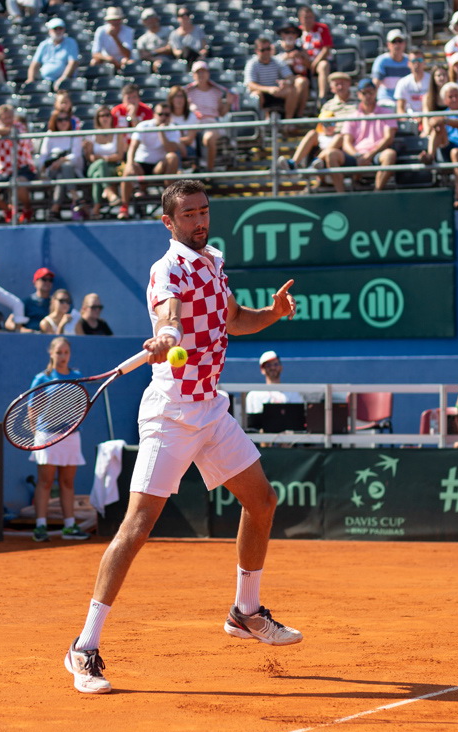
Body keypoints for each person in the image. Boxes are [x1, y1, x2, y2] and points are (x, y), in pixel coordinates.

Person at [64, 178, 300, 695]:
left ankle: (245, 612)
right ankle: (84, 647)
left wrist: (274, 315)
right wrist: (167, 334)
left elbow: (235, 319)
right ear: (168, 223)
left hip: (211, 409)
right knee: (138, 526)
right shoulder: (165, 269)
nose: (200, 220)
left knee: (261, 502)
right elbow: (169, 315)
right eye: (188, 214)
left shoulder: (213, 260)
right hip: (171, 413)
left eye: (204, 211)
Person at [28, 336, 88, 543]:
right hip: (47, 435)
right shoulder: (41, 379)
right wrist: (37, 434)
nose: (63, 357)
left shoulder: (77, 376)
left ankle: (69, 527)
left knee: (67, 482)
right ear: (51, 353)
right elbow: (32, 409)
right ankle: (41, 526)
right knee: (45, 482)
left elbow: (80, 405)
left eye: (66, 353)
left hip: (70, 435)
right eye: (59, 352)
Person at [118, 102, 183, 220]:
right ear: (154, 114)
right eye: (160, 114)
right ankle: (124, 207)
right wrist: (129, 164)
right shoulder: (143, 126)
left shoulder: (174, 128)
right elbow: (133, 147)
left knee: (173, 157)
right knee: (128, 170)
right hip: (141, 166)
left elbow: (171, 149)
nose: (163, 117)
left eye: (167, 114)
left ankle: (170, 201)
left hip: (159, 167)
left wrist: (161, 133)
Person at [245, 36, 299, 120]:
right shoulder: (252, 64)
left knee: (291, 91)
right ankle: (260, 124)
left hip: (277, 91)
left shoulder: (278, 61)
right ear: (257, 51)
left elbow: (290, 77)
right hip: (262, 93)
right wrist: (268, 89)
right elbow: (250, 85)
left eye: (268, 49)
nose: (266, 52)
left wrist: (286, 83)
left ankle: (288, 122)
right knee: (257, 95)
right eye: (263, 50)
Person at [244, 350, 303, 416]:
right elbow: (251, 423)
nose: (272, 367)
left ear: (281, 367)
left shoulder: (293, 393)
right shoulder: (253, 395)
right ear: (262, 370)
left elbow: (298, 419)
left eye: (275, 364)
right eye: (268, 365)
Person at [27, 17, 78, 90]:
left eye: (60, 28)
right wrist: (30, 79)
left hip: (65, 82)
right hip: (45, 81)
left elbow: (73, 63)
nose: (58, 31)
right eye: (55, 29)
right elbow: (34, 64)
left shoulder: (71, 42)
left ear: (64, 30)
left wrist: (63, 78)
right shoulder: (43, 44)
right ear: (49, 31)